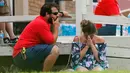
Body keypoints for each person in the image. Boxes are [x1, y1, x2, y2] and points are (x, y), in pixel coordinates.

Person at [13, 3, 71, 72]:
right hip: (22, 55)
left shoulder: (45, 20)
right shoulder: (41, 23)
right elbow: (52, 42)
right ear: (47, 14)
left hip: (25, 52)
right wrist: (56, 27)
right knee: (54, 50)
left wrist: (61, 13)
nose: (56, 17)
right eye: (55, 14)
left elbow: (55, 15)